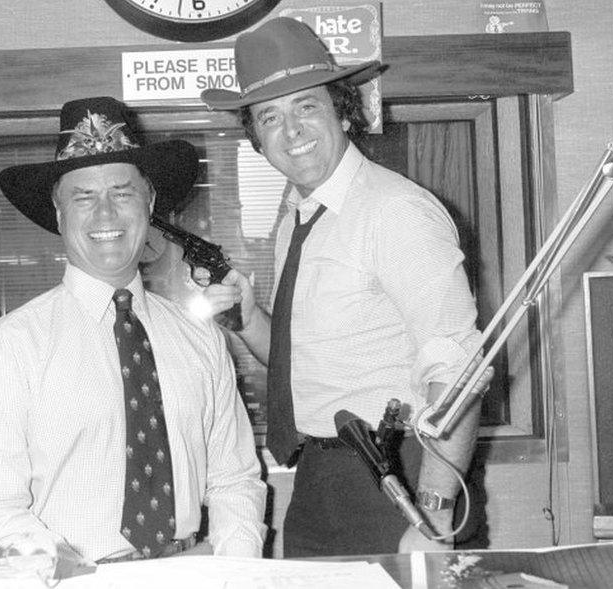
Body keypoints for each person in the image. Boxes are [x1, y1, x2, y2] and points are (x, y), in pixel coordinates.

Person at [200, 17, 486, 556]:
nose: (292, 131)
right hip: (318, 481)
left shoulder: (395, 211)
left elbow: (459, 371)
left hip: (402, 475)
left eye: (306, 106)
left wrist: (432, 515)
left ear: (343, 111)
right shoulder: (296, 218)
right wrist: (249, 320)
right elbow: (304, 364)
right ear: (257, 139)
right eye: (270, 117)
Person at [0, 97, 267, 565]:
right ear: (58, 213)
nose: (105, 215)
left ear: (150, 205)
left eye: (122, 193)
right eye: (84, 196)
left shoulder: (202, 340)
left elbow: (235, 479)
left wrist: (236, 571)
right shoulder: (3, 351)